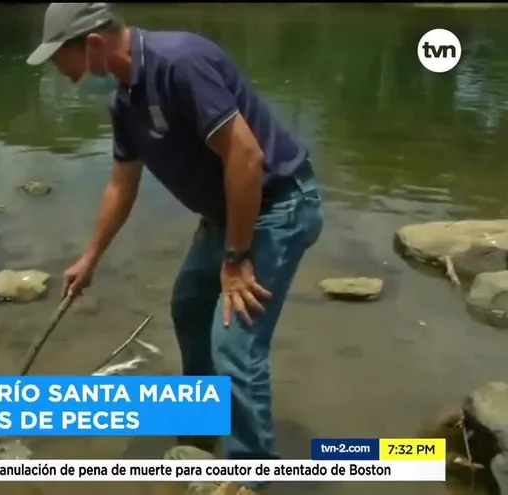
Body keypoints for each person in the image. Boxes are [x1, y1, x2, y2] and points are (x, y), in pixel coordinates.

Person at [26, 4, 324, 495]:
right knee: (189, 305)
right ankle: (202, 434)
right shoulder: (124, 101)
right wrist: (90, 258)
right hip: (228, 215)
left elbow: (246, 157)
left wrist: (235, 259)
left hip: (279, 207)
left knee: (235, 340)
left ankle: (251, 478)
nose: (70, 78)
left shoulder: (179, 63)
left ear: (94, 45)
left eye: (67, 63)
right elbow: (122, 184)